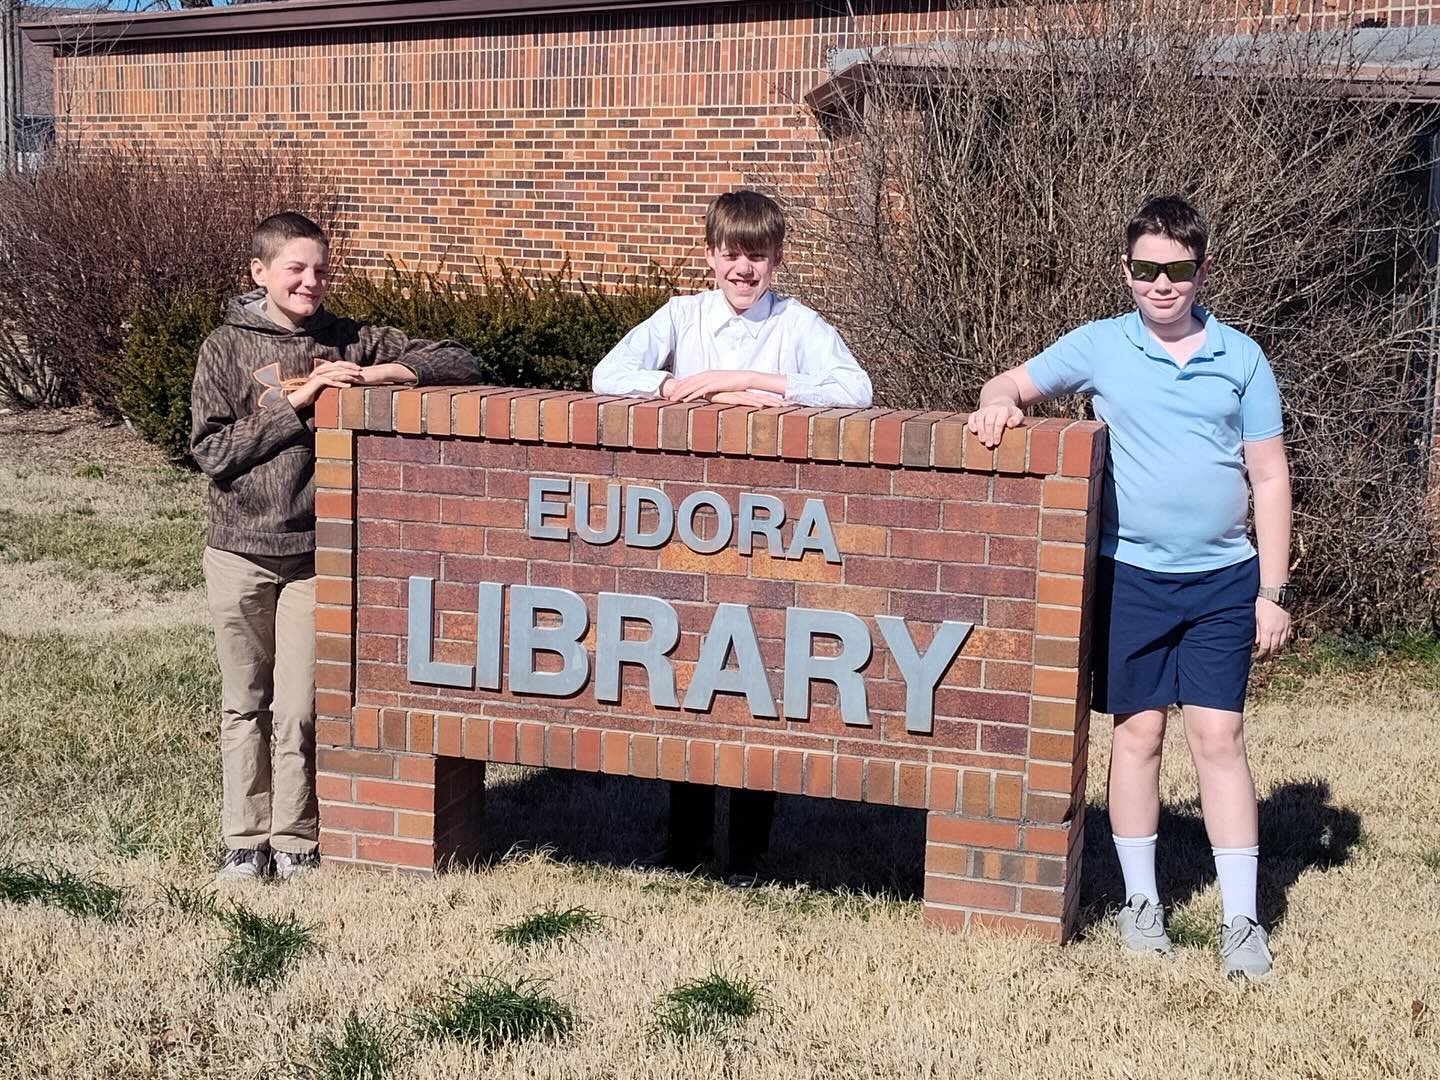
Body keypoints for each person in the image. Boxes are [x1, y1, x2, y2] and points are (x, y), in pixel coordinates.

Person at [967, 195, 1292, 978]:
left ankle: (1242, 922)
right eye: (1146, 269)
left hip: (1223, 581)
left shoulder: (1242, 357)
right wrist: (996, 403)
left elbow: (1270, 474)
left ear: (1201, 271)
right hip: (1131, 578)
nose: (1161, 283)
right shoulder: (1100, 345)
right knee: (1138, 734)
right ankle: (1141, 905)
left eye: (1177, 269)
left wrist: (1272, 591)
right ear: (1126, 271)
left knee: (1219, 737)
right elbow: (1009, 382)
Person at [593, 189, 873, 886]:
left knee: (759, 681)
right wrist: (684, 388)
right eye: (731, 255)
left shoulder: (798, 323)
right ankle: (684, 849)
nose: (743, 270)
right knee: (691, 677)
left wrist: (756, 382)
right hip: (693, 523)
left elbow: (857, 390)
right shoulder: (682, 316)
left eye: (757, 256)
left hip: (770, 527)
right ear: (709, 256)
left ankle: (747, 855)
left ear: (776, 258)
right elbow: (608, 375)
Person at [191, 211, 481, 883]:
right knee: (245, 703)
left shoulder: (352, 340)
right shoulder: (225, 347)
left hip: (315, 556)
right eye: (294, 268)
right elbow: (212, 452)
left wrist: (380, 377)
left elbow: (458, 358)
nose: (310, 281)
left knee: (299, 707)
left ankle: (294, 839)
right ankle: (244, 839)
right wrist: (301, 401)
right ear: (259, 273)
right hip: (239, 551)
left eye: (321, 269)